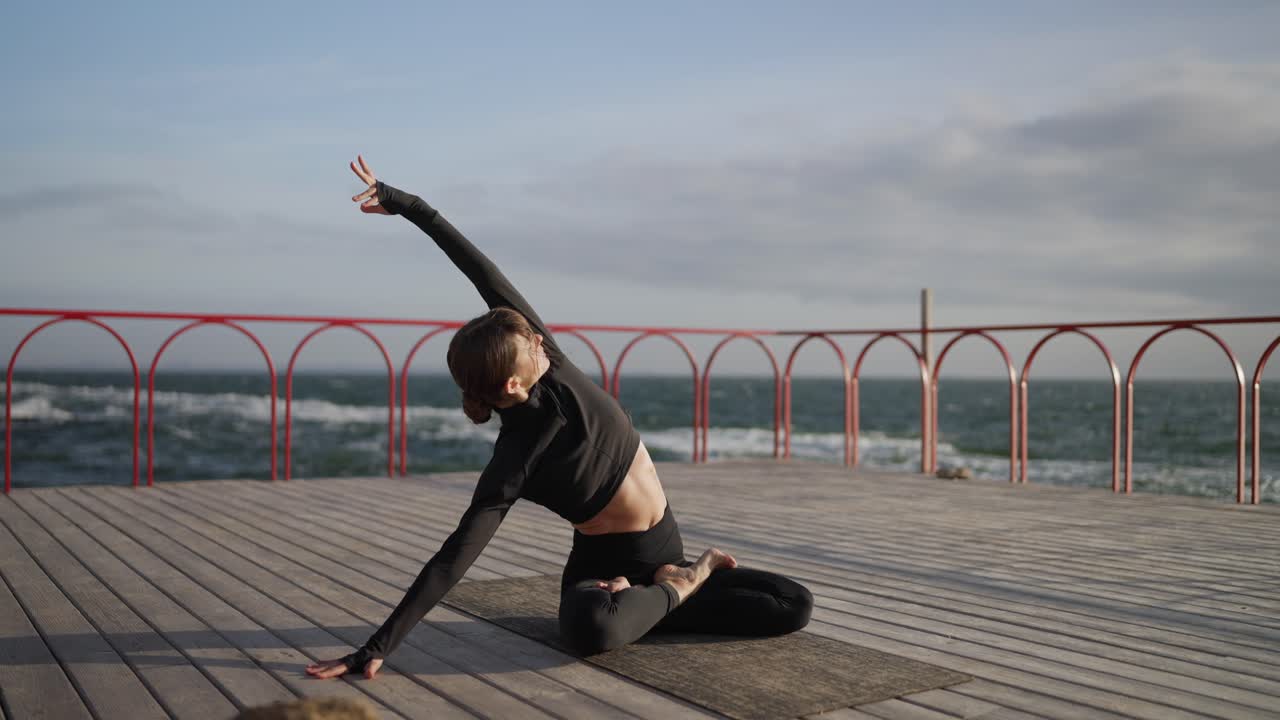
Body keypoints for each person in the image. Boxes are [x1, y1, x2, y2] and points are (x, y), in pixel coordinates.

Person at [306, 156, 814, 680]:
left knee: (791, 604)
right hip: (600, 574)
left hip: (663, 549)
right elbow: (450, 561)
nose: (536, 335)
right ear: (511, 383)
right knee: (589, 631)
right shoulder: (514, 461)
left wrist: (406, 202)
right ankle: (674, 590)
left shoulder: (555, 369)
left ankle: (655, 597)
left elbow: (479, 269)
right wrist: (375, 645)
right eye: (529, 341)